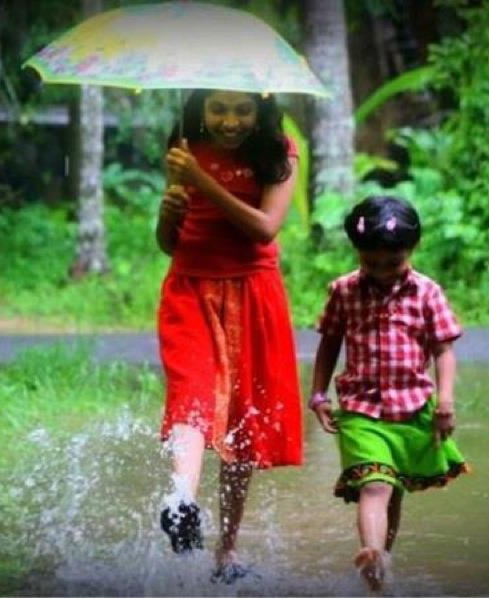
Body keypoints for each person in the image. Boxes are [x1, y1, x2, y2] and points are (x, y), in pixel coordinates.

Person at [154, 89, 303, 583]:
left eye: (242, 109)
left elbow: (264, 228)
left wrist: (200, 181)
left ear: (261, 110)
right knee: (190, 396)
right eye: (218, 108)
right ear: (200, 107)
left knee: (241, 421)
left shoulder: (278, 152)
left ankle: (227, 550)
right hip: (190, 289)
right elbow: (167, 243)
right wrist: (168, 215)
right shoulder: (182, 141)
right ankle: (181, 501)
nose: (230, 121)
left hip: (252, 293)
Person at [308, 196, 470, 592]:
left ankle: (379, 566)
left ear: (411, 251)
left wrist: (445, 401)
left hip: (412, 409)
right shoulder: (344, 291)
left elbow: (443, 349)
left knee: (393, 490)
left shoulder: (427, 293)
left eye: (392, 263)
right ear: (358, 254)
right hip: (361, 409)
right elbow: (329, 343)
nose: (381, 272)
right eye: (370, 263)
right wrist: (318, 395)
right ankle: (373, 551)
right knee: (375, 483)